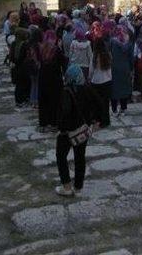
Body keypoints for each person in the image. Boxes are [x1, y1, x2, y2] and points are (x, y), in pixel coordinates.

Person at [55, 64, 102, 197]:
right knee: (80, 157)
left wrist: (60, 129)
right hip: (82, 130)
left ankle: (66, 186)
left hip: (67, 132)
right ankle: (78, 186)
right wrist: (95, 121)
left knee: (61, 157)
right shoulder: (87, 88)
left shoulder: (66, 92)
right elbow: (100, 103)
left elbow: (64, 113)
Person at [38, 30, 64, 131]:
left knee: (44, 100)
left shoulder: (41, 48)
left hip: (43, 76)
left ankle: (44, 123)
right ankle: (54, 122)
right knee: (55, 100)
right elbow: (62, 62)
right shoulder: (56, 50)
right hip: (55, 78)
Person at [110, 25, 134, 116]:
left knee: (114, 89)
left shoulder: (112, 41)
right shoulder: (129, 43)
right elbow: (131, 58)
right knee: (124, 88)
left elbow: (109, 53)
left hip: (114, 67)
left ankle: (114, 109)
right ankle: (123, 109)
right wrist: (131, 69)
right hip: (125, 67)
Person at [89, 37, 113, 127]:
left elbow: (91, 69)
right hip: (106, 81)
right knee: (105, 103)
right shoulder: (107, 54)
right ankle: (106, 121)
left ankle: (98, 118)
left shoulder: (94, 55)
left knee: (97, 102)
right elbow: (110, 68)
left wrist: (89, 77)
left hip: (96, 81)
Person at [9, 27, 31, 106]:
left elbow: (11, 56)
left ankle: (18, 101)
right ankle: (23, 100)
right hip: (23, 67)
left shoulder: (13, 43)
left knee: (19, 85)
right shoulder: (25, 44)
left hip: (15, 67)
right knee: (24, 84)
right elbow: (26, 56)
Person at [24, 25, 43, 108]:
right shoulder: (37, 44)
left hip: (29, 65)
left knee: (33, 83)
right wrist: (38, 63)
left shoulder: (28, 43)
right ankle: (36, 101)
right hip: (35, 65)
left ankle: (33, 100)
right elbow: (35, 55)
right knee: (37, 83)